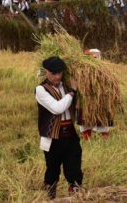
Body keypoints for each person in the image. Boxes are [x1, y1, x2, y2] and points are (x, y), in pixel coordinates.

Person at [35, 56, 83, 199]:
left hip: (70, 134)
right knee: (53, 170)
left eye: (59, 73)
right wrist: (72, 93)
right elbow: (57, 108)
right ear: (46, 72)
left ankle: (75, 196)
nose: (57, 76)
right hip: (52, 137)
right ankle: (50, 197)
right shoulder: (40, 90)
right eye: (54, 73)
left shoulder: (66, 85)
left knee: (74, 166)